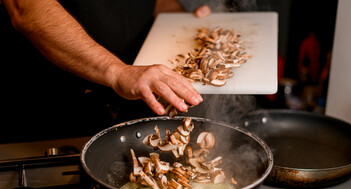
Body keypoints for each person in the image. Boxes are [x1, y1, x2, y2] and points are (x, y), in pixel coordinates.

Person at [0, 0, 210, 141]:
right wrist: (118, 72)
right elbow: (28, 9)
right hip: (53, 110)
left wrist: (176, 15)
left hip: (132, 101)